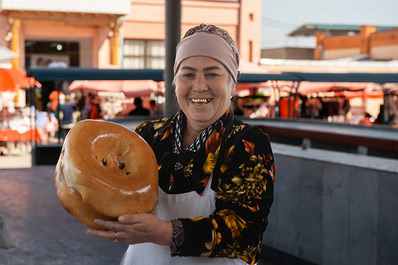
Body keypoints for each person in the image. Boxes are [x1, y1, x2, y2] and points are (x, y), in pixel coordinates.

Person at [87, 24, 275, 265]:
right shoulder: (150, 135)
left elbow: (246, 234)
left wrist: (167, 233)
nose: (199, 86)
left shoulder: (247, 144)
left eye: (212, 73)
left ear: (233, 84)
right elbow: (118, 192)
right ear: (175, 82)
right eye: (187, 74)